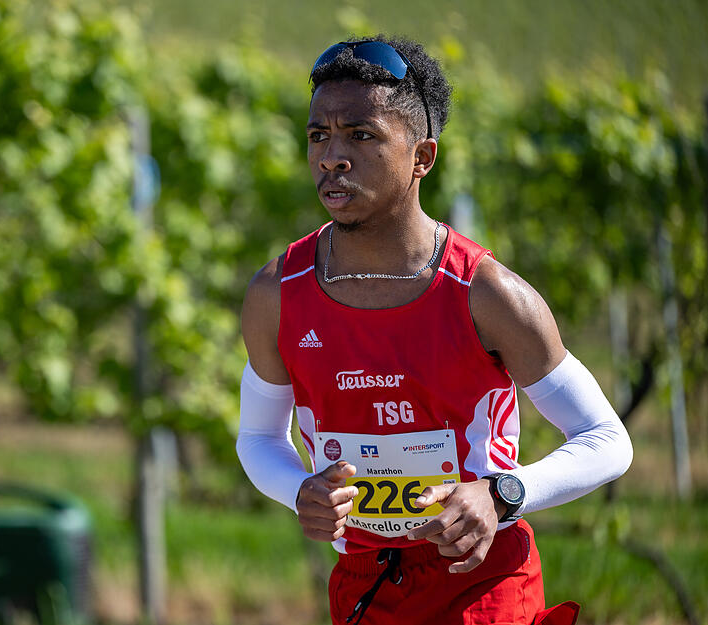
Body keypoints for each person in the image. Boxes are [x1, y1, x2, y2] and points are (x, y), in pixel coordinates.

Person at [236, 36, 633, 625]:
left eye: (361, 135)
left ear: (422, 156)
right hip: (364, 588)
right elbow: (259, 439)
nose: (331, 157)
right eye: (319, 135)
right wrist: (299, 491)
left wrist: (501, 495)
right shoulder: (277, 294)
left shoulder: (488, 295)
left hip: (483, 583)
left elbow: (607, 440)